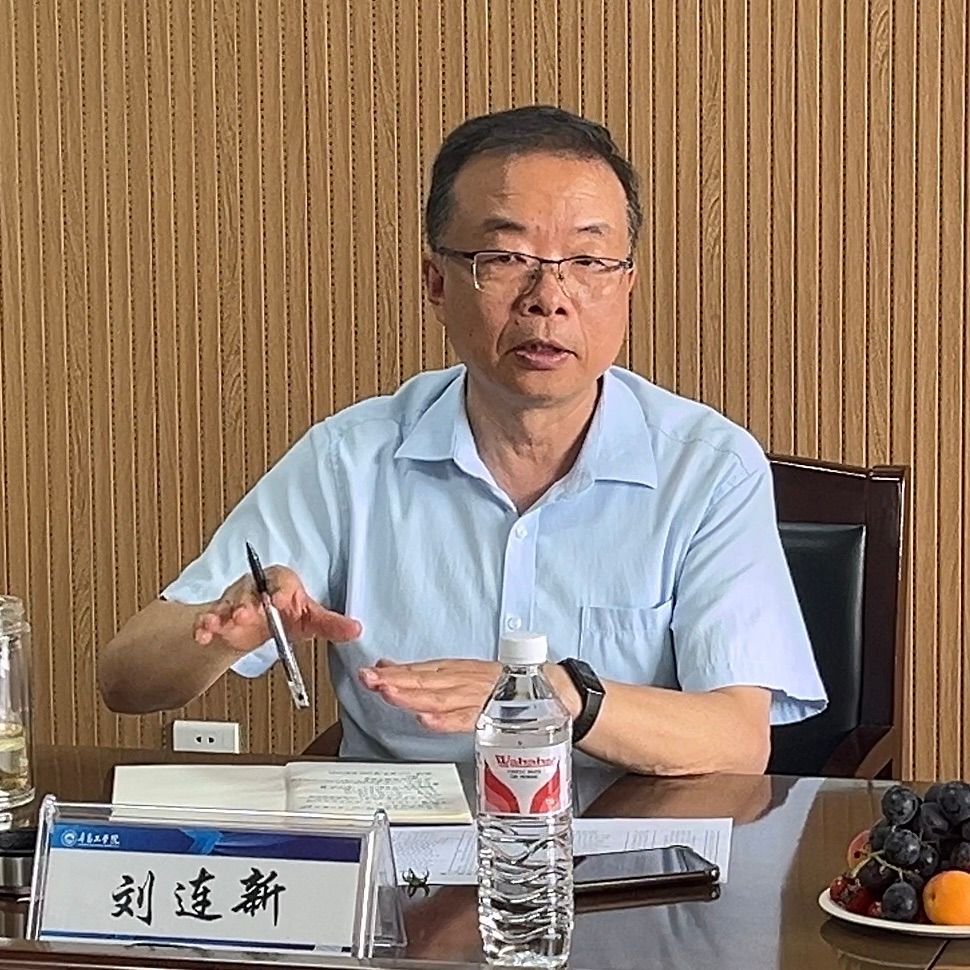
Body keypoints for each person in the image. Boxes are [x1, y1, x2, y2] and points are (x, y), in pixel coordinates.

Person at [98, 105, 826, 774]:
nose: (548, 298)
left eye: (587, 261)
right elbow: (125, 681)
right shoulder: (352, 458)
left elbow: (738, 740)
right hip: (399, 852)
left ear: (626, 285)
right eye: (505, 258)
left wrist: (557, 693)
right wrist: (224, 630)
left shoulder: (707, 467)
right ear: (437, 284)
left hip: (620, 853)